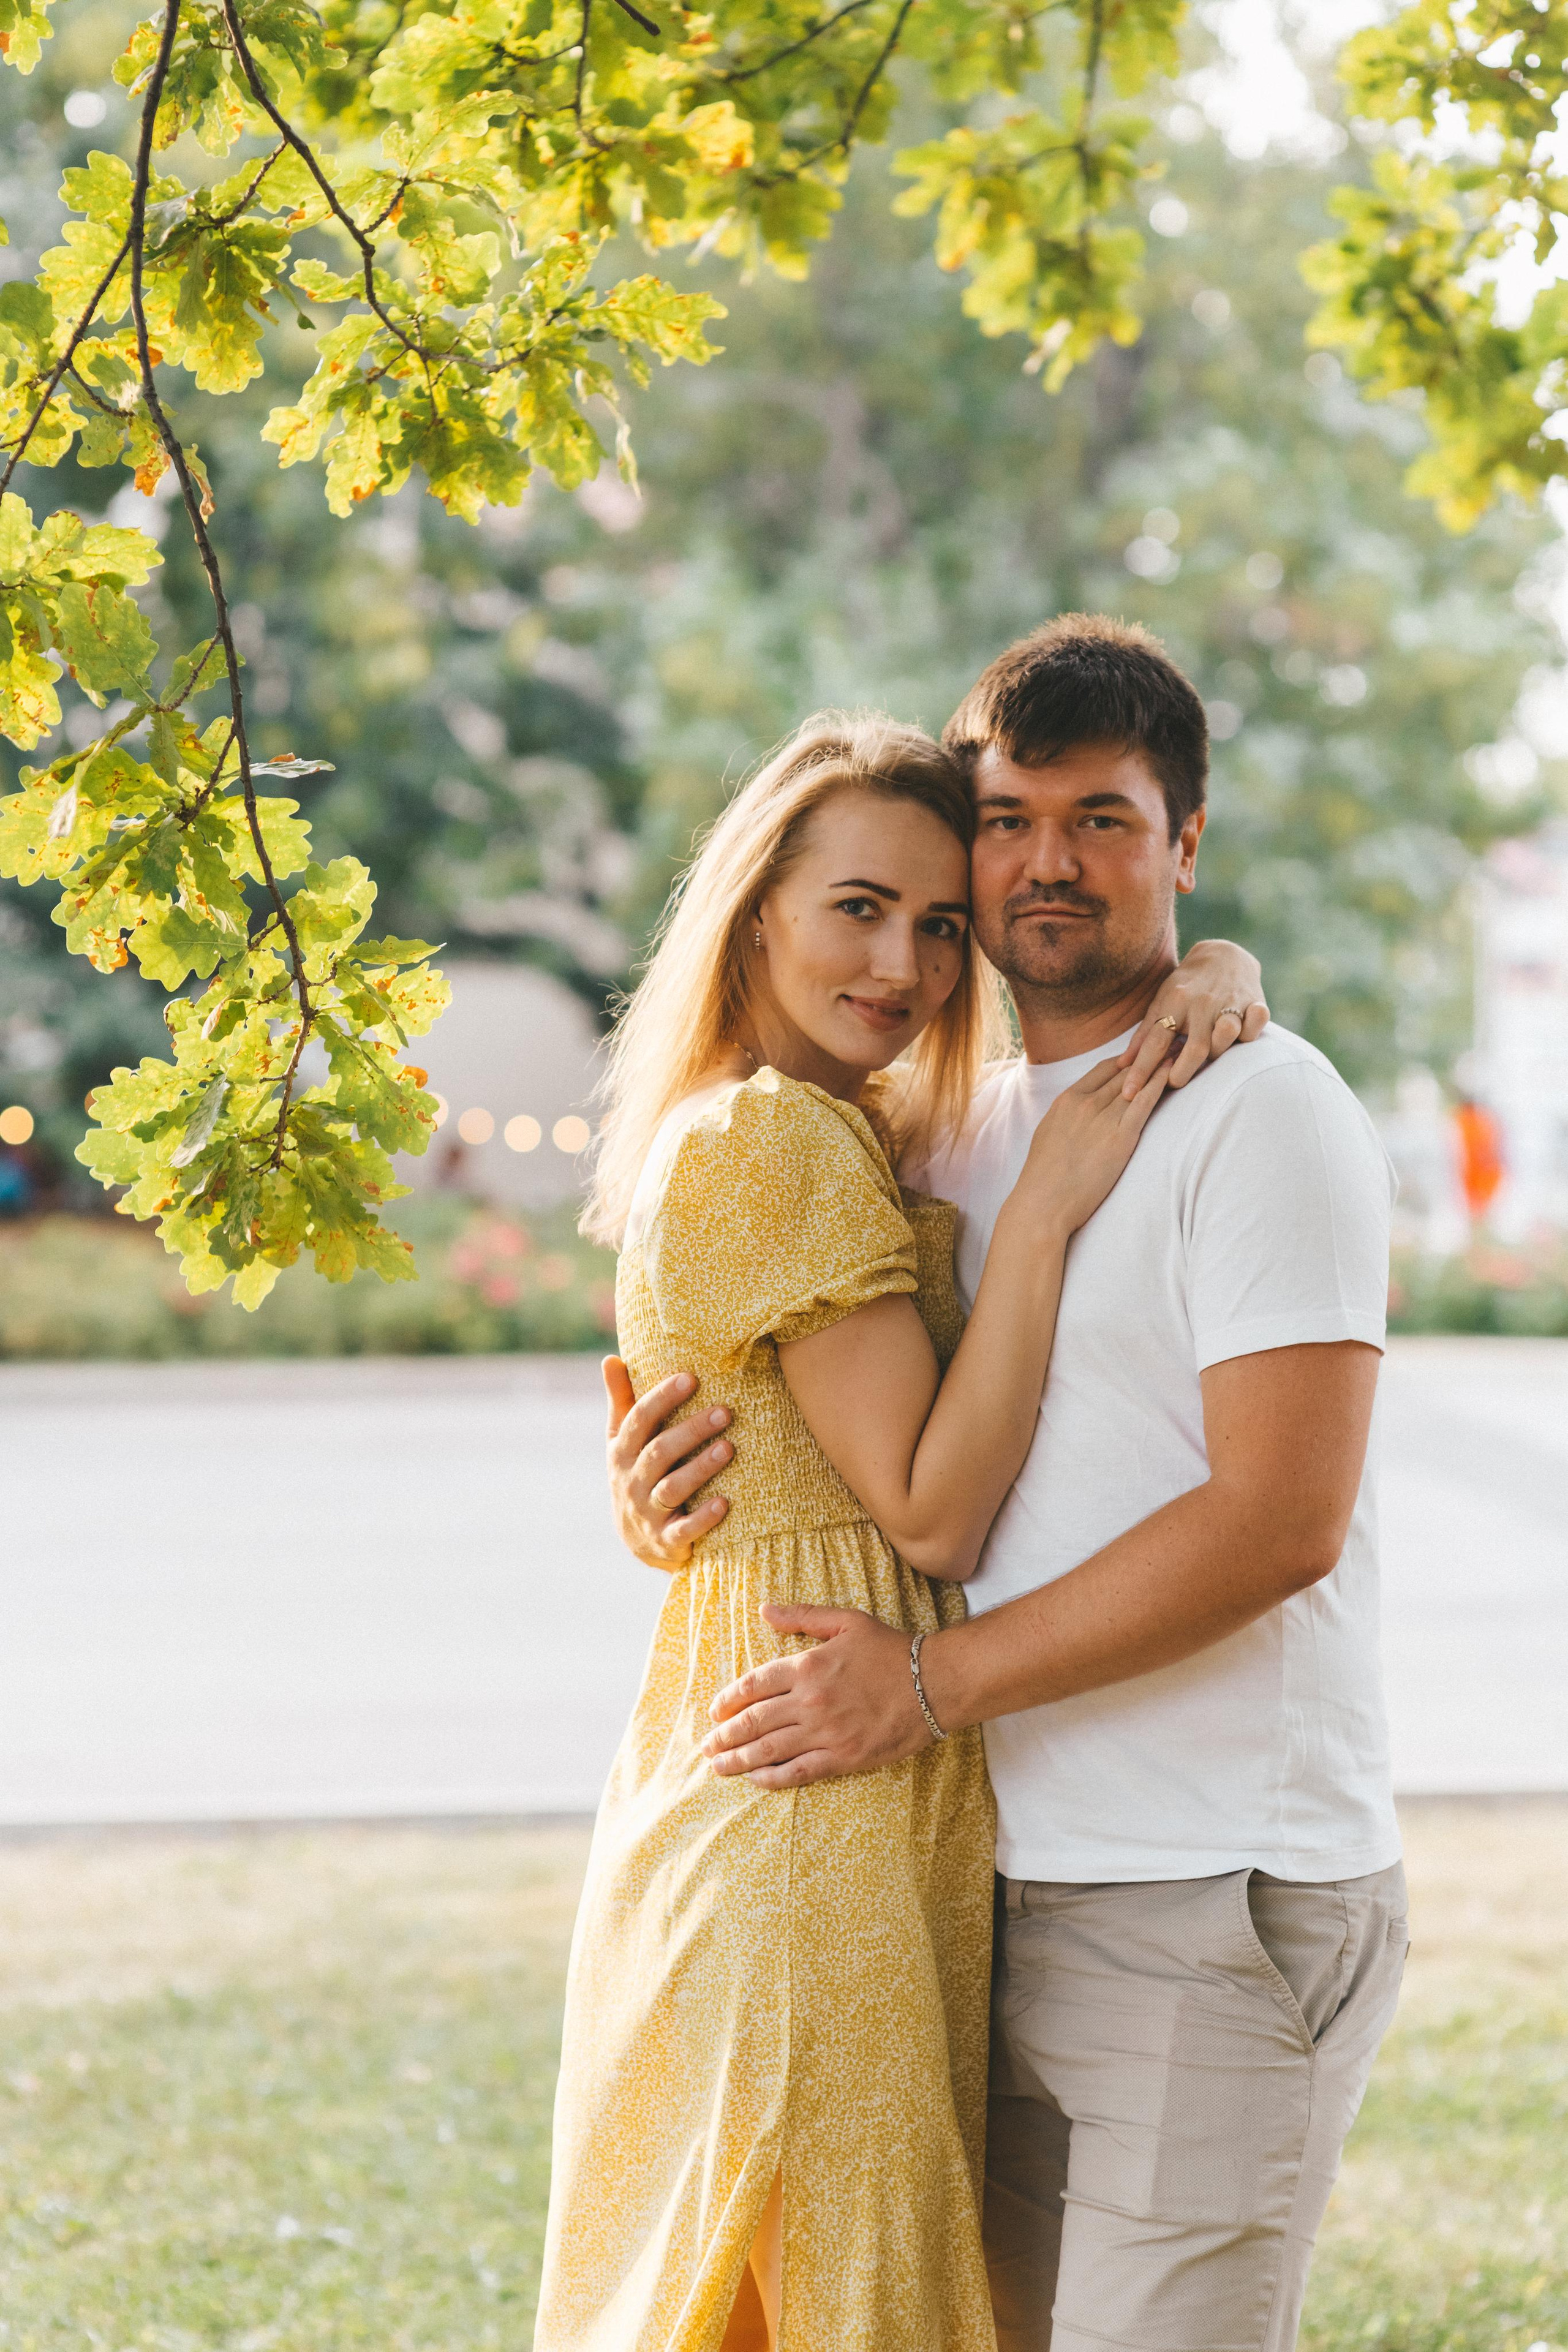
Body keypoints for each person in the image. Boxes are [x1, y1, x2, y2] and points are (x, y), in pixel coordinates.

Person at [608, 615, 1408, 2352]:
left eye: (1105, 822)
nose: (1047, 864)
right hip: (964, 1885)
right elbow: (794, 1386)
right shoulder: (932, 1124)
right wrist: (670, 1484)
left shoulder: (1263, 1114)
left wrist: (925, 1685)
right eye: (1011, 819)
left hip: (1205, 1892)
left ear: (1184, 845)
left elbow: (1282, 1521)